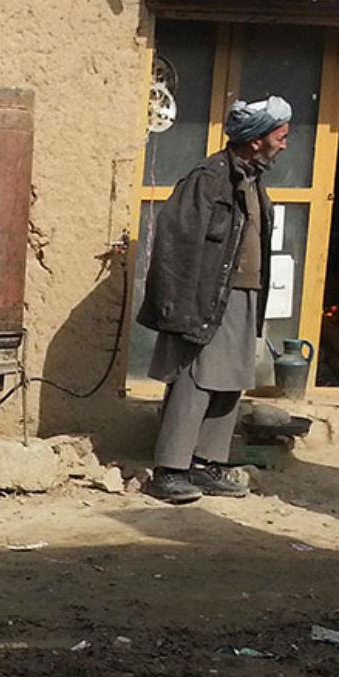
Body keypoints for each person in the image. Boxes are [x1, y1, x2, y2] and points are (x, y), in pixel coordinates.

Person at [137, 95, 291, 505]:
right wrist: (176, 304)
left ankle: (207, 464)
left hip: (242, 295)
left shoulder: (252, 180)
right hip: (205, 296)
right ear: (257, 139)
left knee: (230, 380)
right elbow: (174, 240)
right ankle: (171, 469)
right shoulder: (210, 177)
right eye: (281, 136)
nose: (285, 144)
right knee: (196, 378)